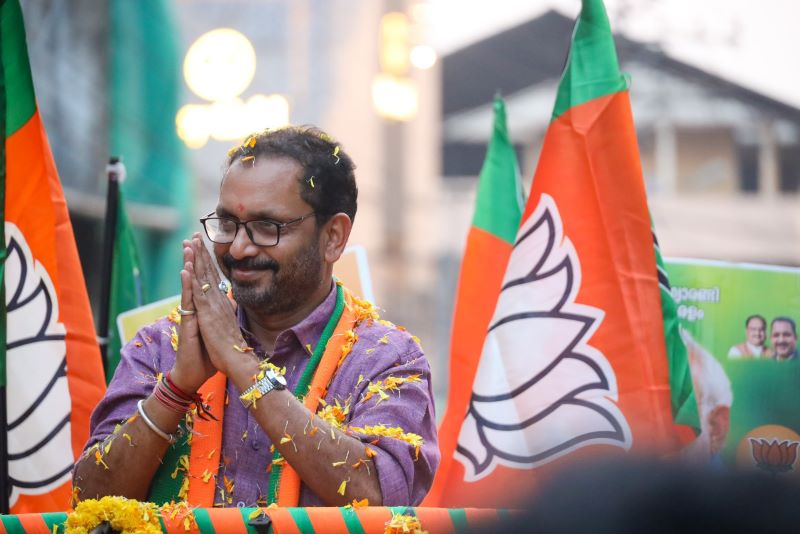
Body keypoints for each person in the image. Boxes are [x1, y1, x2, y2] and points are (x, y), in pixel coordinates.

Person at [73, 126, 439, 508]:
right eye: (227, 224)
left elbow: (379, 496)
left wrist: (244, 367)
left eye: (268, 227)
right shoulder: (163, 345)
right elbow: (88, 498)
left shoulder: (388, 358)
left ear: (333, 236)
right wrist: (177, 388)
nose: (239, 248)